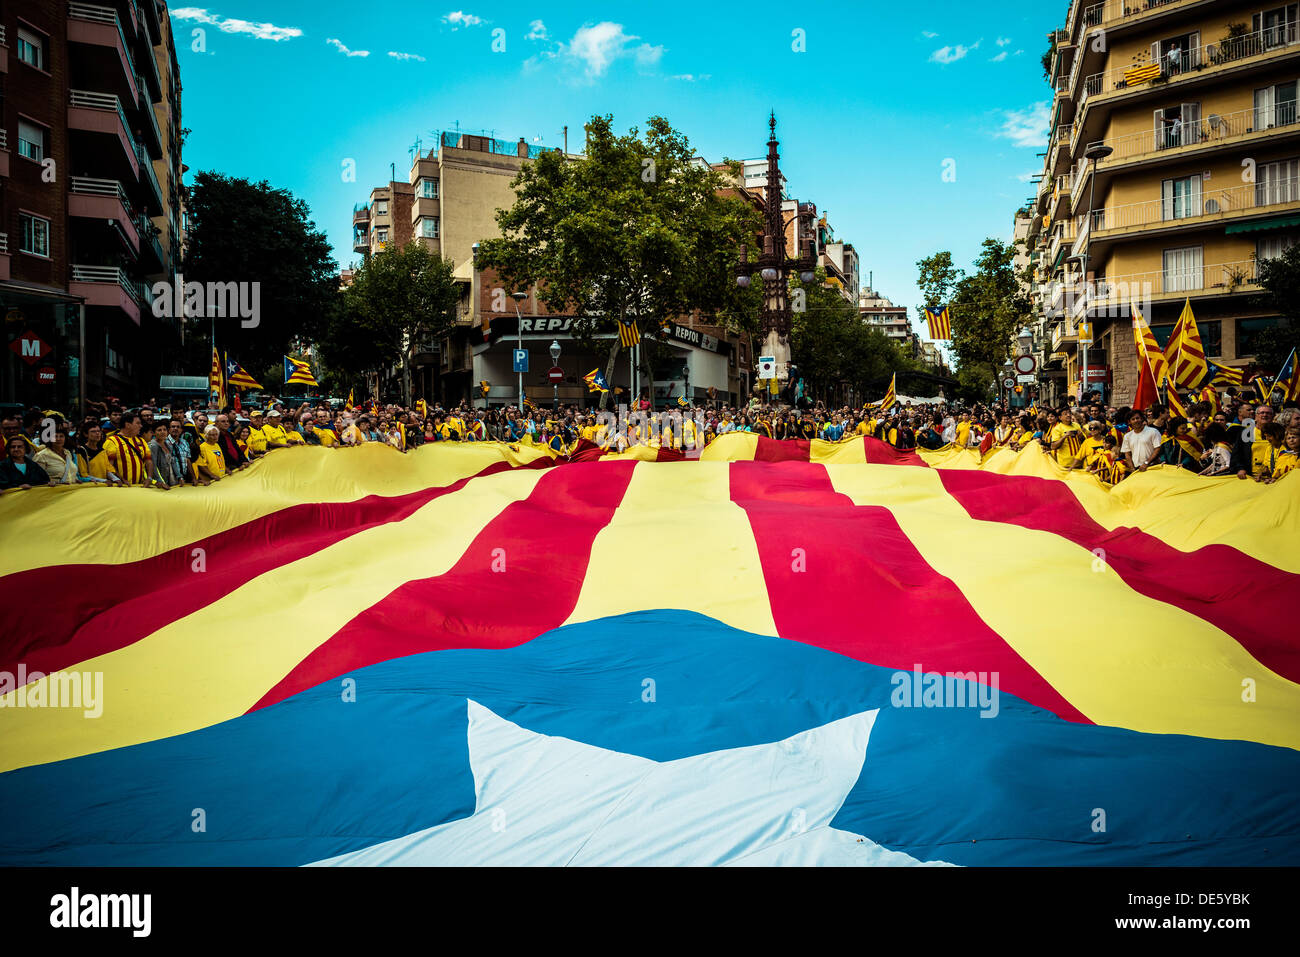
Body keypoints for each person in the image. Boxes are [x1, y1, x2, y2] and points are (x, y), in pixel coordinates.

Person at [103, 412, 153, 486]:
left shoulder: (141, 441)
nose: (141, 426)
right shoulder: (112, 441)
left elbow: (148, 461)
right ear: (128, 425)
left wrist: (149, 478)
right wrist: (121, 480)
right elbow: (109, 466)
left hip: (140, 487)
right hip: (121, 488)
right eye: (138, 423)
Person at [147, 422, 180, 487]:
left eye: (164, 430)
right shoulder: (152, 446)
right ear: (153, 433)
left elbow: (172, 462)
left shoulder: (168, 445)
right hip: (159, 482)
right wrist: (160, 481)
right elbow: (153, 465)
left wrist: (179, 476)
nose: (162, 432)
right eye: (159, 430)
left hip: (170, 479)